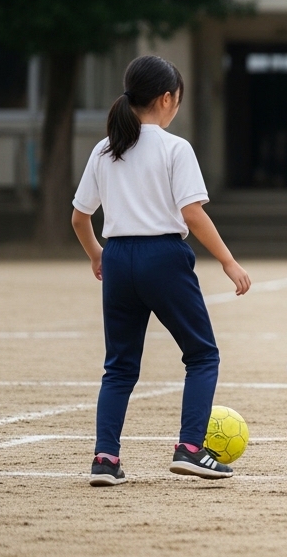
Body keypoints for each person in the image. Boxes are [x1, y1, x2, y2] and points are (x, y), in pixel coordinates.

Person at [71, 55, 252, 486]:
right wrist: (228, 260)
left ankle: (105, 459)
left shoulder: (104, 149)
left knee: (119, 367)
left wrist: (97, 254)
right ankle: (190, 449)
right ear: (167, 98)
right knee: (202, 355)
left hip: (118, 258)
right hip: (164, 257)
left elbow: (79, 217)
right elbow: (192, 213)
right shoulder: (175, 148)